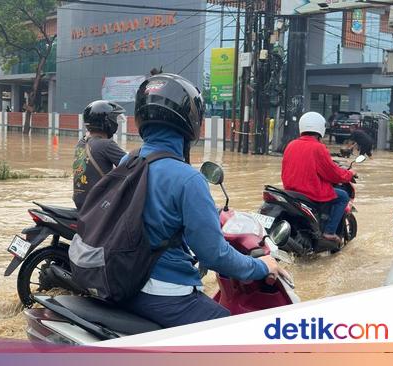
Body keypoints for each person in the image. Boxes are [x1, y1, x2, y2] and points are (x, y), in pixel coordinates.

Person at [119, 73, 287, 328]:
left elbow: (153, 218)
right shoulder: (188, 179)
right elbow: (214, 256)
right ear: (191, 120)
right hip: (162, 292)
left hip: (123, 280)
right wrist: (261, 266)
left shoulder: (128, 162)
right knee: (231, 330)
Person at [282, 112, 355, 242]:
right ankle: (329, 232)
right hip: (310, 192)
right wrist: (349, 174)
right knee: (343, 196)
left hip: (291, 192)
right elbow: (332, 173)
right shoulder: (318, 147)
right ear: (320, 128)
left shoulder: (290, 145)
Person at [72, 100, 127, 210]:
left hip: (81, 204)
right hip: (98, 205)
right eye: (114, 118)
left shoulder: (81, 143)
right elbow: (133, 164)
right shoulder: (106, 145)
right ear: (107, 121)